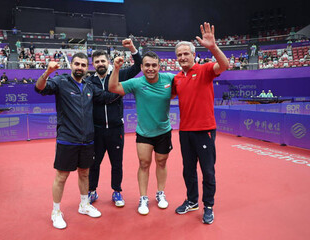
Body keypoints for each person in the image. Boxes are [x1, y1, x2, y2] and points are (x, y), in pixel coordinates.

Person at [35, 52, 119, 229]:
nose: (80, 67)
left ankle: (84, 204)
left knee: (85, 173)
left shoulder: (89, 86)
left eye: (83, 65)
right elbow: (40, 88)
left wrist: (127, 88)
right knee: (62, 176)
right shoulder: (60, 82)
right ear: (71, 66)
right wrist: (47, 72)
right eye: (77, 64)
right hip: (67, 139)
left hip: (88, 139)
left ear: (87, 68)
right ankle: (56, 211)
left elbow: (106, 97)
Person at [172, 22, 229, 224]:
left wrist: (213, 47)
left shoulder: (205, 70)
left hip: (204, 130)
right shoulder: (177, 78)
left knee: (207, 170)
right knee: (188, 170)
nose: (183, 57)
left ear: (193, 54)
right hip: (184, 131)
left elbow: (225, 65)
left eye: (186, 53)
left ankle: (209, 206)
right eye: (179, 55)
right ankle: (192, 200)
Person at [109, 51, 174, 215]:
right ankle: (143, 198)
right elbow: (113, 87)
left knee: (161, 163)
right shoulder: (136, 83)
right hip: (144, 133)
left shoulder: (169, 79)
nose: (151, 68)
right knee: (144, 164)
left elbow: (184, 88)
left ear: (159, 66)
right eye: (147, 65)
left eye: (154, 65)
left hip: (164, 131)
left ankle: (160, 193)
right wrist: (116, 69)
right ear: (142, 67)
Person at [87, 38, 142, 207]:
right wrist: (119, 94)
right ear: (93, 65)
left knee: (117, 163)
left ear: (108, 61)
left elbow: (138, 66)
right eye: (96, 62)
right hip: (96, 129)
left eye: (102, 60)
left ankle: (117, 191)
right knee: (94, 163)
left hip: (116, 129)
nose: (100, 64)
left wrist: (132, 48)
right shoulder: (90, 81)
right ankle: (92, 191)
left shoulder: (119, 74)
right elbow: (100, 98)